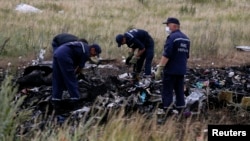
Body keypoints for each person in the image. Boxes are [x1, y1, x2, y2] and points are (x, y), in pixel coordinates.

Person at [51, 40, 101, 111]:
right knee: (71, 80)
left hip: (57, 53)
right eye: (95, 54)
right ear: (93, 49)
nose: (93, 56)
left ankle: (56, 101)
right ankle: (76, 101)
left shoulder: (83, 46)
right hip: (65, 55)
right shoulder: (86, 52)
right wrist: (75, 75)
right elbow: (79, 68)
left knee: (57, 79)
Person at [155, 17, 190, 114]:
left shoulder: (172, 38)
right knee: (179, 91)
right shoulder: (186, 39)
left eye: (168, 25)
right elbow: (186, 55)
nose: (167, 27)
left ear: (174, 26)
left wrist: (160, 68)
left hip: (171, 70)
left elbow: (167, 54)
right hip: (181, 70)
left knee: (167, 90)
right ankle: (181, 109)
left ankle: (168, 110)